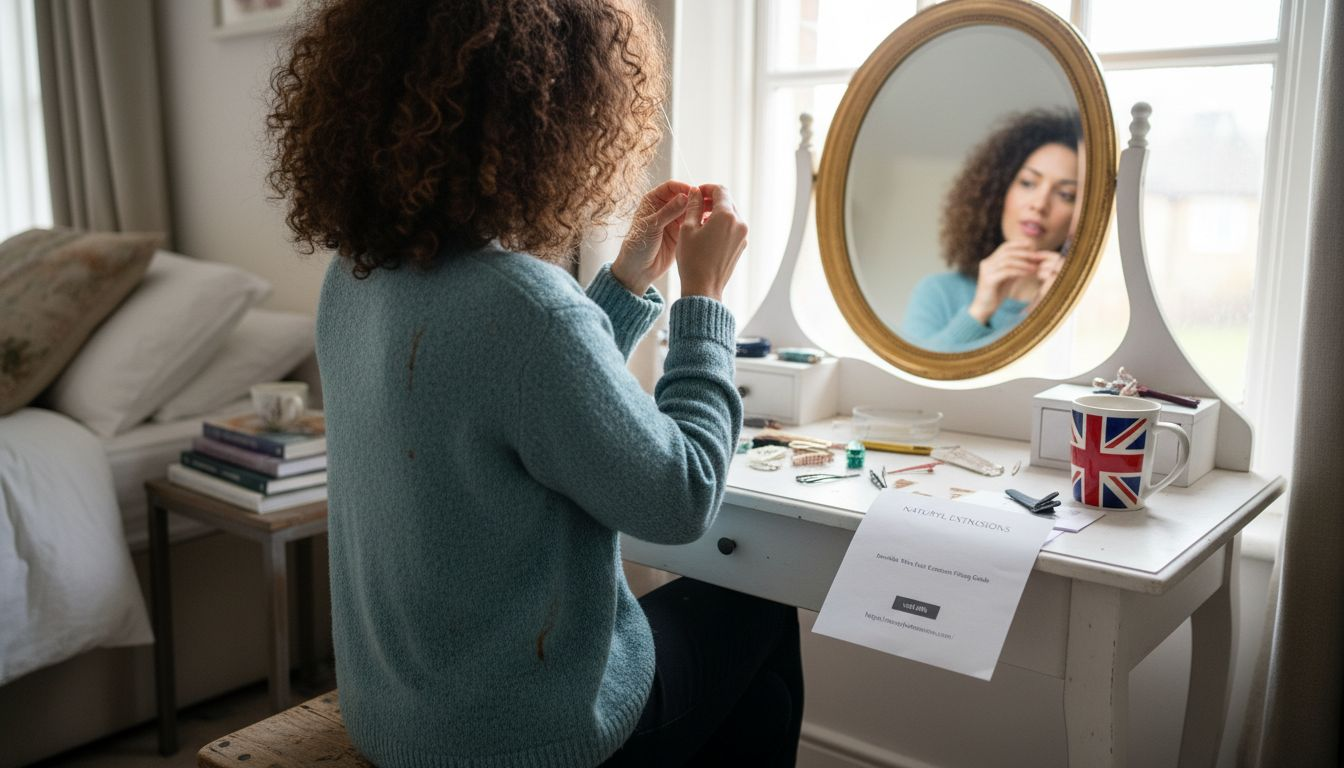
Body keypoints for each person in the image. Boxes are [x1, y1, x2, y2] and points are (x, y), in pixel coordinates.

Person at [265, 1, 802, 766]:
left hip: (394, 717)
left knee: (757, 690)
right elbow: (681, 497)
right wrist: (704, 302)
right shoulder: (523, 303)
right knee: (761, 614)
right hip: (525, 739)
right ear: (557, 116)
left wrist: (624, 282)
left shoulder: (355, 278)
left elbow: (520, 399)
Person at [900, 109, 1081, 352]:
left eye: (1065, 195)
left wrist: (1049, 311)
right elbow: (914, 382)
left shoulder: (1081, 308)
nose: (1039, 204)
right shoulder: (938, 292)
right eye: (1028, 183)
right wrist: (979, 311)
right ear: (1000, 191)